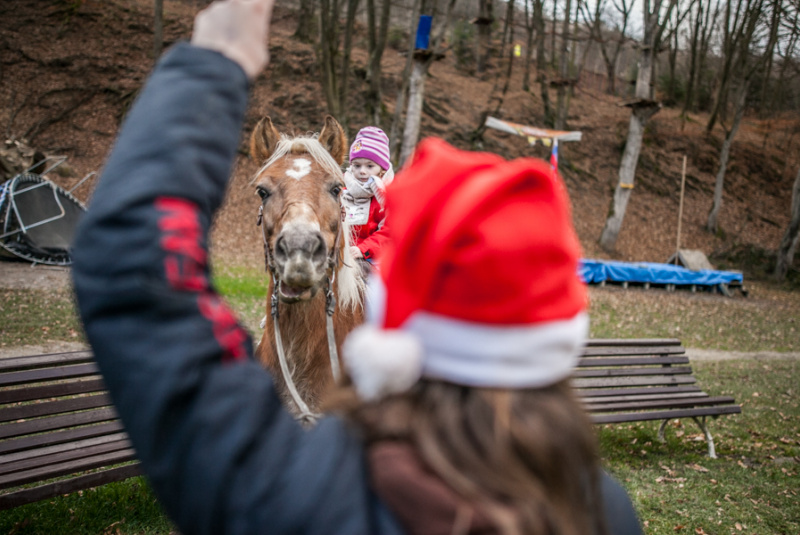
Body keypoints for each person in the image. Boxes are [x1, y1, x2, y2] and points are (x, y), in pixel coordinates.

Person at [71, 1, 643, 534]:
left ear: (393, 330)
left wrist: (213, 62)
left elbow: (128, 267)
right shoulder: (607, 513)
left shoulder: (297, 493)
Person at [343, 126, 393, 265]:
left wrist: (363, 249)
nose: (362, 171)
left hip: (372, 257)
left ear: (382, 170)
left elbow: (389, 232)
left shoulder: (387, 196)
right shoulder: (342, 189)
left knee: (375, 285)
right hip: (339, 252)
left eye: (370, 166)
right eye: (357, 165)